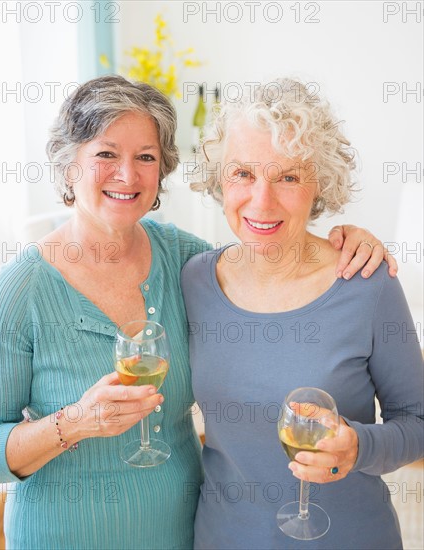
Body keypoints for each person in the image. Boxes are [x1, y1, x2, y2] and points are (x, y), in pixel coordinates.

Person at [0, 75, 397, 550]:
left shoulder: (185, 262)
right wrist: (75, 421)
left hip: (184, 530)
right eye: (105, 154)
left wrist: (349, 241)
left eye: (146, 157)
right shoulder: (21, 290)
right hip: (66, 534)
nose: (127, 174)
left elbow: (265, 257)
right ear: (68, 164)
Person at [181, 78, 423, 550]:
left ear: (321, 185)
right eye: (243, 174)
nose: (261, 200)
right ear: (219, 178)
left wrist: (358, 447)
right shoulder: (193, 281)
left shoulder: (366, 282)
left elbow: (418, 422)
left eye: (288, 176)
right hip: (223, 538)